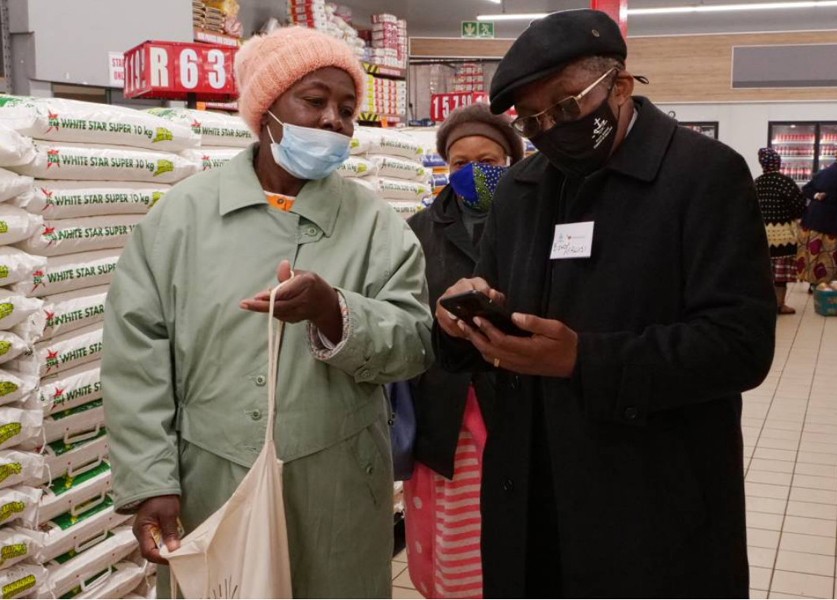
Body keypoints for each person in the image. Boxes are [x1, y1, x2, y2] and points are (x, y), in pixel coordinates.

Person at [432, 9, 776, 598]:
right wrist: (461, 324)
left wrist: (583, 359)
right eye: (534, 120)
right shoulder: (519, 189)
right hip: (530, 487)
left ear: (618, 85)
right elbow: (491, 293)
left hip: (649, 496)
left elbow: (740, 345)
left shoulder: (704, 176)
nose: (552, 127)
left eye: (566, 108)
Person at [101, 26, 433, 598]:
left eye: (347, 109)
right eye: (314, 100)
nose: (334, 119)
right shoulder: (183, 219)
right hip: (212, 477)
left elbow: (414, 344)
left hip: (339, 481)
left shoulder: (375, 225)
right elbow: (136, 354)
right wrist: (151, 479)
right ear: (265, 109)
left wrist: (337, 313)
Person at [403, 103, 523, 599]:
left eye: (489, 160)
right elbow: (404, 314)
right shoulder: (417, 230)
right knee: (452, 538)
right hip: (444, 405)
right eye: (459, 162)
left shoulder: (534, 226)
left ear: (512, 162)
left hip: (515, 397)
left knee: (512, 530)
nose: (474, 172)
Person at [797, 148, 837, 290]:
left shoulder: (823, 172)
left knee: (814, 252)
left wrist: (817, 195)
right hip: (832, 221)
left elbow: (806, 189)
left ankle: (814, 283)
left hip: (812, 218)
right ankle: (828, 283)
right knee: (829, 253)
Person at [755, 147, 805, 314]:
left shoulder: (757, 182)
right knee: (781, 274)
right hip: (783, 234)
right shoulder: (785, 182)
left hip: (761, 234)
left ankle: (764, 304)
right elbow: (799, 205)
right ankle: (779, 304)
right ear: (778, 163)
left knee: (764, 272)